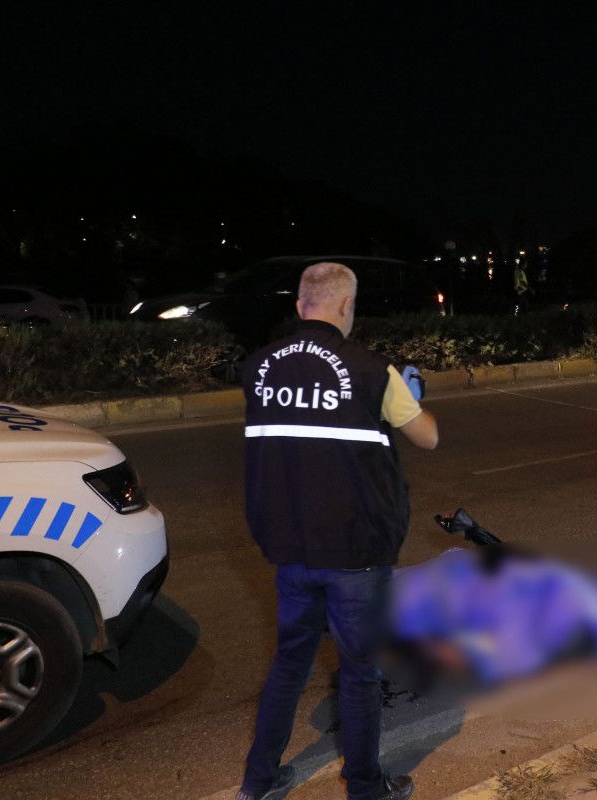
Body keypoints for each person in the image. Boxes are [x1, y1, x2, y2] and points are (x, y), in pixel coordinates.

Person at [237, 262, 437, 800]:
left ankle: (257, 782)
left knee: (288, 665)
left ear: (300, 305)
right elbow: (427, 438)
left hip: (290, 546)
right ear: (346, 306)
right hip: (356, 551)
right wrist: (411, 394)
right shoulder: (374, 371)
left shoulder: (259, 368)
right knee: (359, 672)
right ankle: (366, 787)